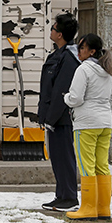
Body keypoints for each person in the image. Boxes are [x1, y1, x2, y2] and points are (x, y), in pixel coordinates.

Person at [64, 33, 112, 221]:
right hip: (105, 123)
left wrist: (66, 98)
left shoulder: (83, 69)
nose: (78, 51)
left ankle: (88, 208)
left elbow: (76, 98)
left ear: (92, 51)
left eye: (82, 48)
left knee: (86, 165)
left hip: (86, 123)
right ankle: (103, 208)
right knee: (102, 165)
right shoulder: (108, 71)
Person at [38, 12, 82, 211]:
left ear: (60, 34)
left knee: (64, 156)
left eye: (53, 28)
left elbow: (60, 91)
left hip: (61, 118)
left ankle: (70, 197)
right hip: (53, 118)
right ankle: (61, 195)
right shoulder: (57, 55)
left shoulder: (69, 58)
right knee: (56, 157)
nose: (51, 30)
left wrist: (51, 117)